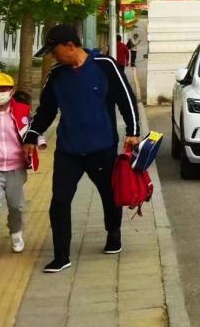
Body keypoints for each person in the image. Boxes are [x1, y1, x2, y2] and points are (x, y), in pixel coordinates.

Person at [26, 24, 141, 274]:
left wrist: (133, 131)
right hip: (68, 149)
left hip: (102, 147)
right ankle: (61, 255)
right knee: (59, 200)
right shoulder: (56, 75)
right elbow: (46, 110)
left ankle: (113, 233)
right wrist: (32, 135)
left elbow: (126, 100)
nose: (53, 57)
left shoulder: (105, 66)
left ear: (70, 46)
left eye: (54, 51)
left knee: (109, 195)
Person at [0, 73, 32, 263]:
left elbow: (33, 132)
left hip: (15, 167)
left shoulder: (23, 111)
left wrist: (38, 143)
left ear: (11, 91)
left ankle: (16, 231)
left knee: (16, 206)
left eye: (3, 89)